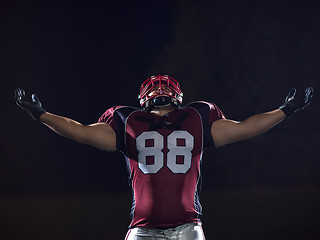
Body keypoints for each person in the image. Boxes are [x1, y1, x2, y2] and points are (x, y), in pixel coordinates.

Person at [14, 75, 314, 240]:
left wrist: (41, 114)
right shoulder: (196, 118)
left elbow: (78, 131)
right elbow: (247, 128)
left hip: (165, 226)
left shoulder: (129, 122)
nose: (159, 88)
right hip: (170, 227)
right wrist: (286, 110)